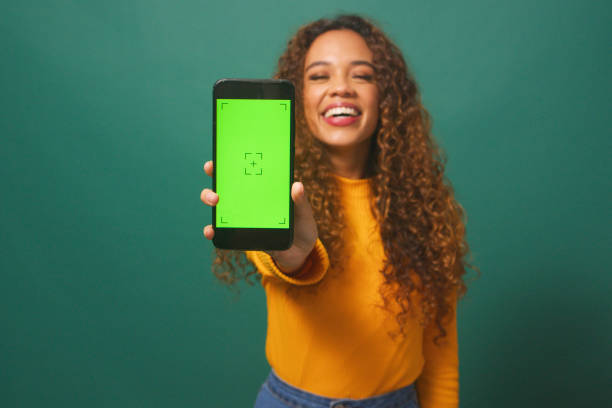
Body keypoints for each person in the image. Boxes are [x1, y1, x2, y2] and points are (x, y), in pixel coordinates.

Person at [200, 14, 476, 408]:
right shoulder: (279, 193)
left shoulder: (426, 207)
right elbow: (280, 260)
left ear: (388, 96)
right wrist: (294, 254)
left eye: (362, 75)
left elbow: (441, 351)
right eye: (319, 77)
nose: (341, 88)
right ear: (297, 99)